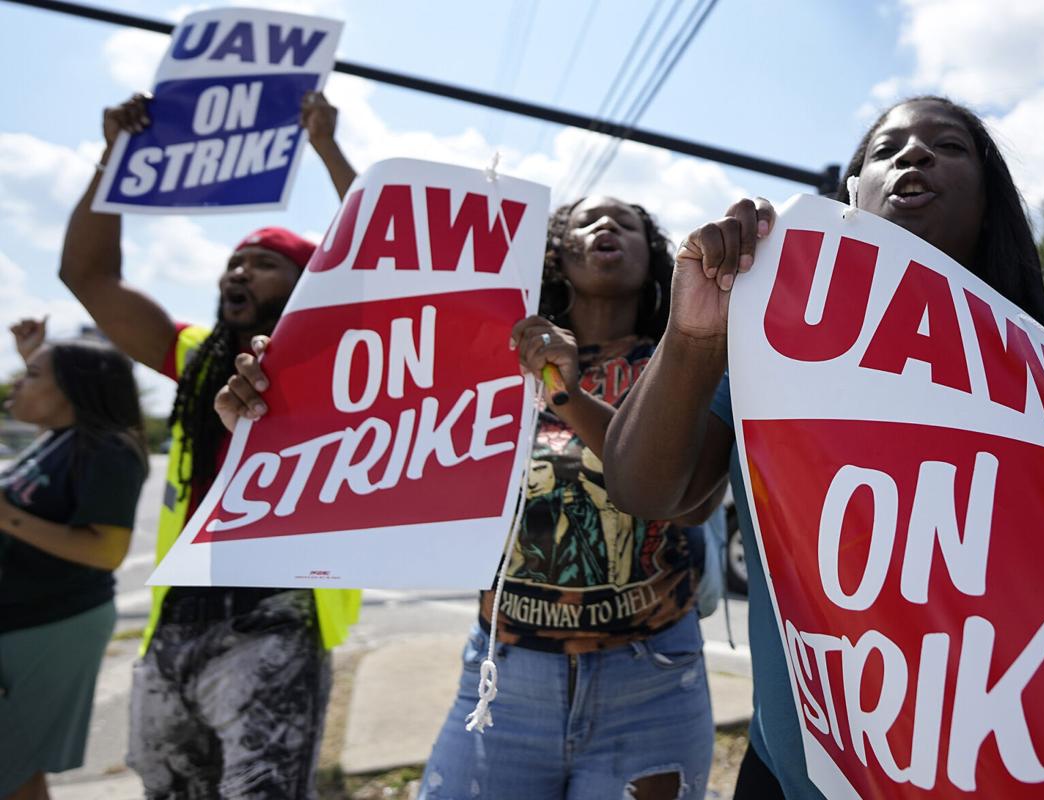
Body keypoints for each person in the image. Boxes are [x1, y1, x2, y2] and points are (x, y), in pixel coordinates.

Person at [604, 96, 1044, 798]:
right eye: (885, 150)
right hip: (792, 777)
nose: (913, 155)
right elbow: (645, 490)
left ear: (990, 200)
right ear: (852, 196)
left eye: (947, 146)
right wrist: (694, 339)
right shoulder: (774, 338)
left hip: (1005, 771)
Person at [217, 196, 718, 799]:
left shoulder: (678, 366)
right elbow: (387, 449)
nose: (605, 226)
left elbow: (684, 498)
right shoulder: (488, 364)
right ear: (554, 257)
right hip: (503, 679)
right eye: (586, 221)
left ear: (652, 254)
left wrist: (564, 394)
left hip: (651, 681)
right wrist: (277, 418)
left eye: (626, 222)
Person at [58, 91, 362, 799]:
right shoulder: (196, 354)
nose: (239, 272)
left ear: (307, 283)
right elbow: (88, 277)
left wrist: (326, 149)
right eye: (234, 261)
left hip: (279, 612)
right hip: (181, 612)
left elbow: (397, 268)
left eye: (264, 263)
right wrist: (114, 156)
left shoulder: (345, 357)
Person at [0, 317, 148, 800]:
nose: (17, 383)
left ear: (71, 392)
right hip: (21, 616)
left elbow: (107, 551)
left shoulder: (108, 450)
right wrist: (38, 357)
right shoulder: (61, 437)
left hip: (50, 620)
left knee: (11, 764)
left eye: (31, 375)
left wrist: (8, 517)